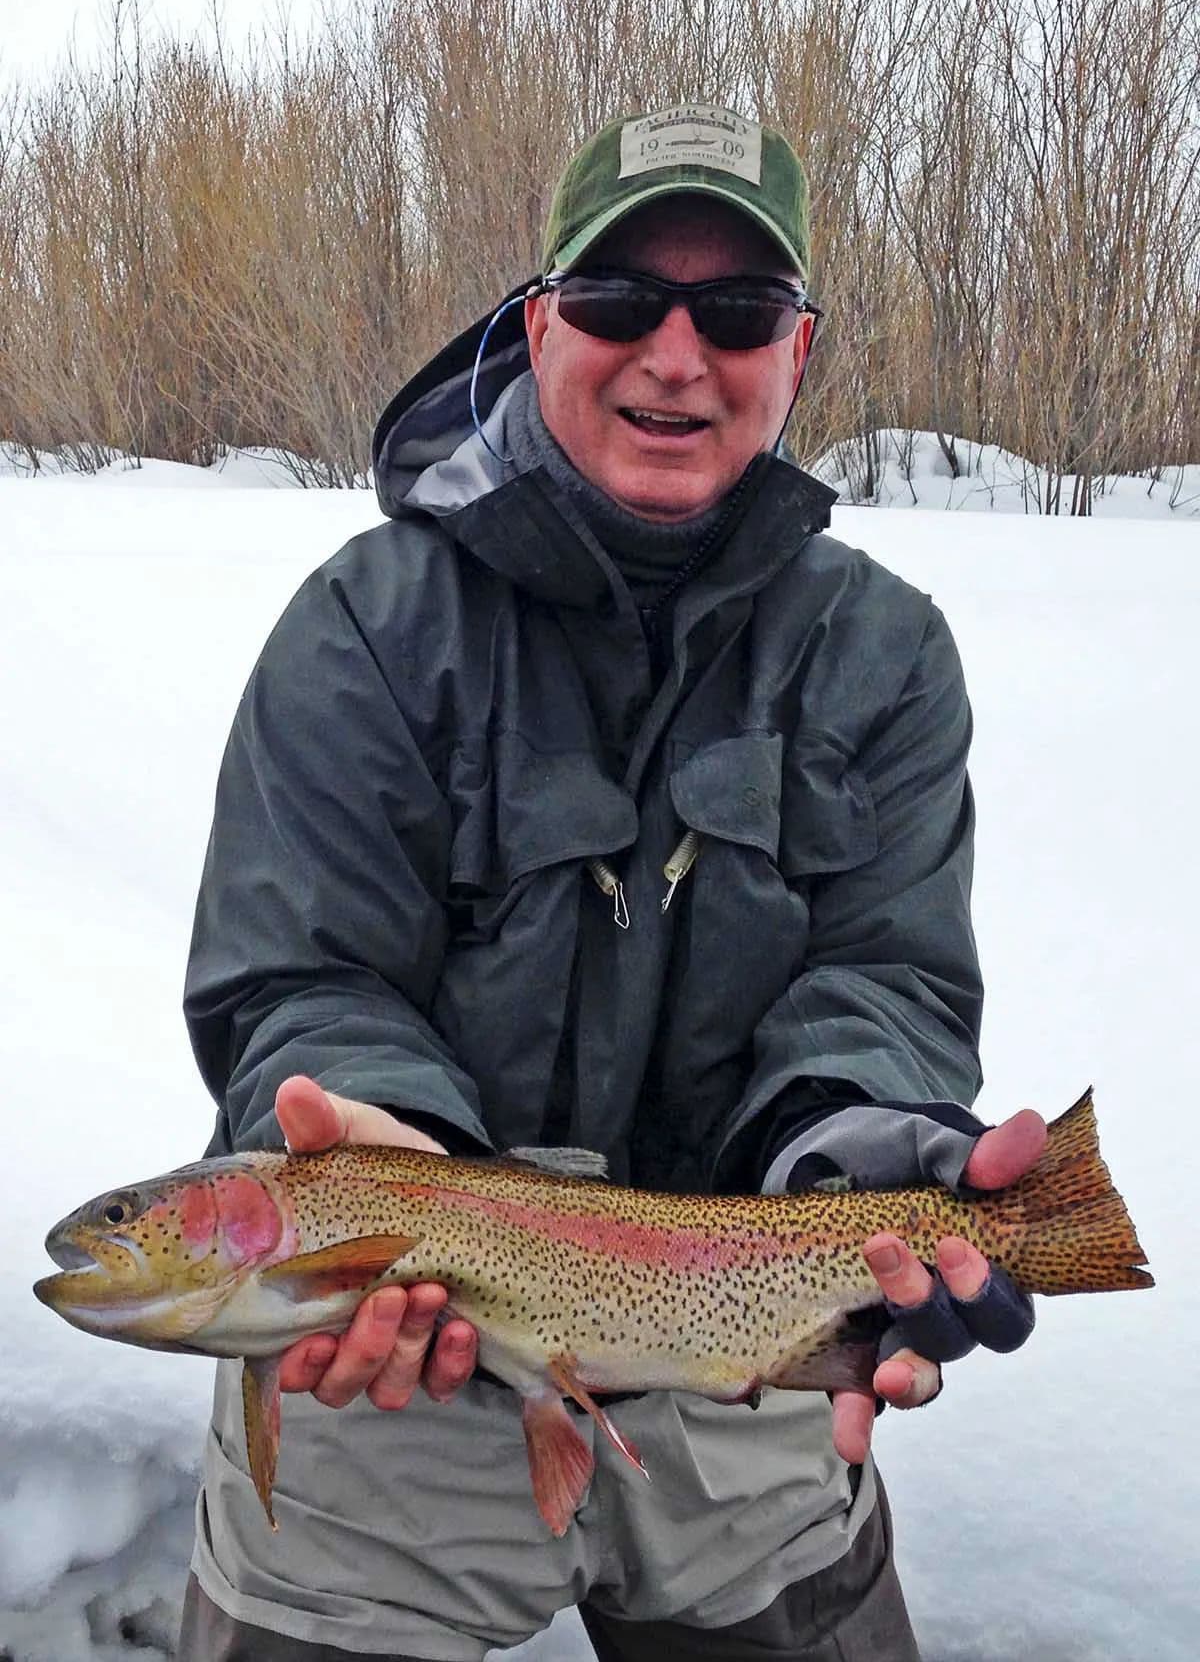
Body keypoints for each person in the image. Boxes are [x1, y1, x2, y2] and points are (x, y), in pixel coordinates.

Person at [178, 103, 1044, 1661]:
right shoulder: (366, 624)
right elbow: (301, 981)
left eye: (739, 311)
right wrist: (397, 1169)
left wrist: (859, 1160)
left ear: (798, 354)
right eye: (621, 299)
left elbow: (885, 982)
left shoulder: (884, 650)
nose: (677, 354)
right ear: (538, 327)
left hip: (739, 1357)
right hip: (394, 1358)